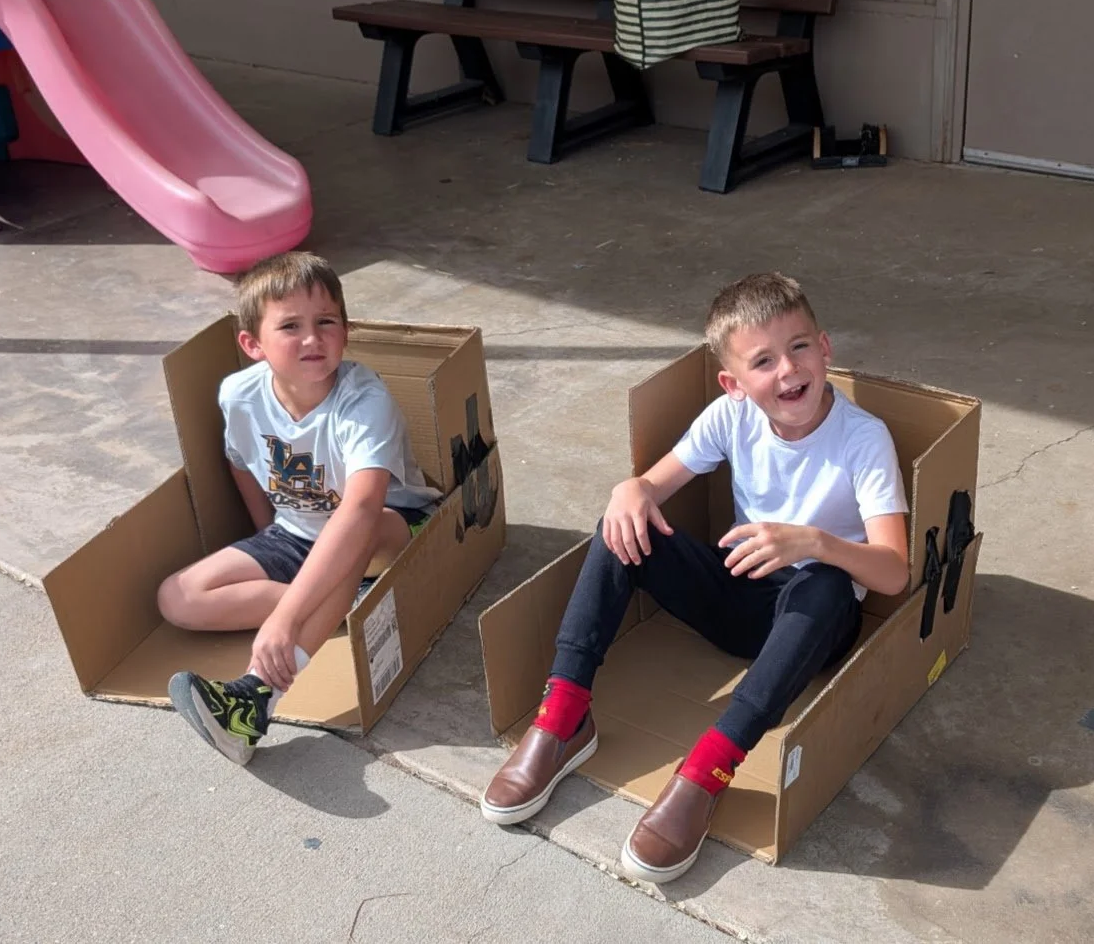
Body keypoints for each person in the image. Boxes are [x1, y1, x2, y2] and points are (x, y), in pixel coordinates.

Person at [479, 273, 910, 883]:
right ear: (733, 385)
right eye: (763, 360)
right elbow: (651, 487)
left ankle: (710, 767)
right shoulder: (729, 418)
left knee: (827, 583)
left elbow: (894, 573)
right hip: (737, 593)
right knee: (622, 524)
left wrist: (813, 543)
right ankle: (564, 715)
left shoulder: (864, 439)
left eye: (800, 347)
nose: (788, 370)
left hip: (813, 622)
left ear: (826, 347)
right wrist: (629, 490)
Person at [158, 251, 441, 765]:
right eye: (290, 325)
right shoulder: (238, 394)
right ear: (253, 345)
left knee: (360, 528)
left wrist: (285, 619)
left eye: (326, 322)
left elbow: (359, 509)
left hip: (395, 531)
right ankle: (340, 604)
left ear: (346, 331)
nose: (312, 338)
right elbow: (241, 461)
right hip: (296, 532)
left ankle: (255, 700)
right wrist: (266, 533)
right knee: (177, 598)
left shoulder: (363, 402)